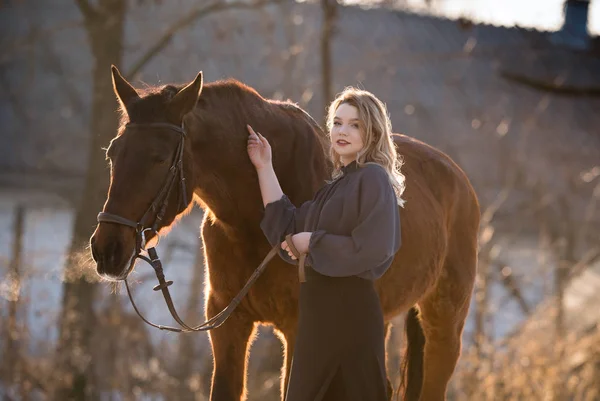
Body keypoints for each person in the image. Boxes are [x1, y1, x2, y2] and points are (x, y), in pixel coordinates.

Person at [246, 87, 404, 401]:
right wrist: (265, 167)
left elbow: (374, 248)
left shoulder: (373, 178)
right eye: (337, 122)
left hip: (351, 316)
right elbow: (289, 228)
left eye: (355, 124)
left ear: (372, 132)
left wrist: (313, 243)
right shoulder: (334, 188)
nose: (342, 131)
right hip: (318, 317)